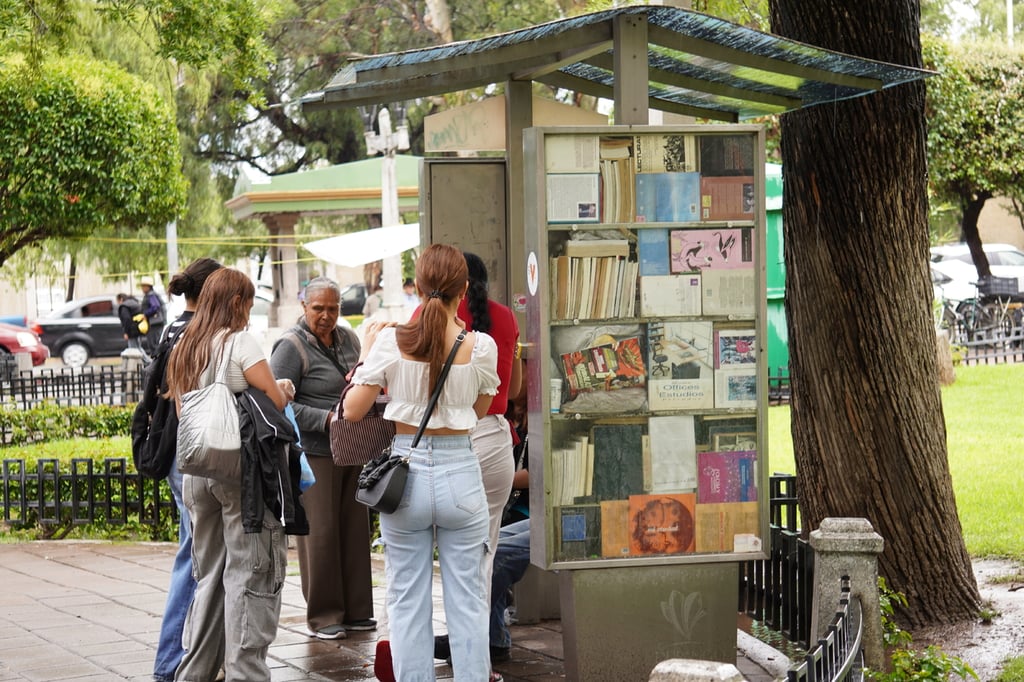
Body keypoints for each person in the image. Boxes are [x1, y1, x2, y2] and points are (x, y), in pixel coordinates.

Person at [343, 244, 501, 682]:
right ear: (464, 289)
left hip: (403, 479)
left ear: (417, 286)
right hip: (461, 477)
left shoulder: (393, 342)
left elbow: (353, 410)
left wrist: (366, 353)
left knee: (407, 598)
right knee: (468, 600)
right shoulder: (480, 346)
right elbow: (482, 407)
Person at [165, 268, 297, 682]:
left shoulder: (186, 345)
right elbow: (274, 398)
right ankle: (246, 673)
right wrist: (286, 389)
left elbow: (183, 411)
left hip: (197, 471)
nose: (250, 310)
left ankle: (196, 673)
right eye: (249, 302)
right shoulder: (239, 341)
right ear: (237, 303)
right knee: (250, 570)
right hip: (239, 470)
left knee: (209, 576)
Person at [269, 277, 376, 640]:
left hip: (350, 446)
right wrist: (326, 419)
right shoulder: (289, 345)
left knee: (354, 528)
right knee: (322, 534)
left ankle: (358, 610)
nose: (327, 316)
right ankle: (325, 616)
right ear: (304, 306)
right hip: (313, 452)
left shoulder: (349, 338)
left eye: (333, 308)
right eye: (319, 309)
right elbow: (278, 402)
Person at [149, 258, 223, 682]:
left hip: (177, 451)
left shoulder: (172, 326)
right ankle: (172, 664)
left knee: (193, 554)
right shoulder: (200, 333)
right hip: (194, 453)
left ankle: (187, 659)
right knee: (195, 559)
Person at [458, 253, 522, 583]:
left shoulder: (434, 316)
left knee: (439, 547)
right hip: (493, 440)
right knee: (484, 552)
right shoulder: (507, 317)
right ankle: (477, 634)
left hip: (449, 437)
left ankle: (420, 633)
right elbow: (512, 392)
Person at [116, 292, 150, 362]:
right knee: (138, 347)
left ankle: (147, 363)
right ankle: (146, 363)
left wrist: (126, 332)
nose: (118, 303)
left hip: (132, 330)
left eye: (118, 301)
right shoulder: (133, 302)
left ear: (121, 299)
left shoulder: (124, 306)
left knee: (134, 349)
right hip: (139, 328)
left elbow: (126, 320)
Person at [140, 276, 167, 354]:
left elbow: (155, 306)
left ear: (148, 286)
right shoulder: (150, 294)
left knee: (154, 344)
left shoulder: (151, 295)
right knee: (153, 344)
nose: (142, 288)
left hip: (155, 323)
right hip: (154, 323)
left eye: (143, 286)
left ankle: (157, 363)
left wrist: (146, 314)